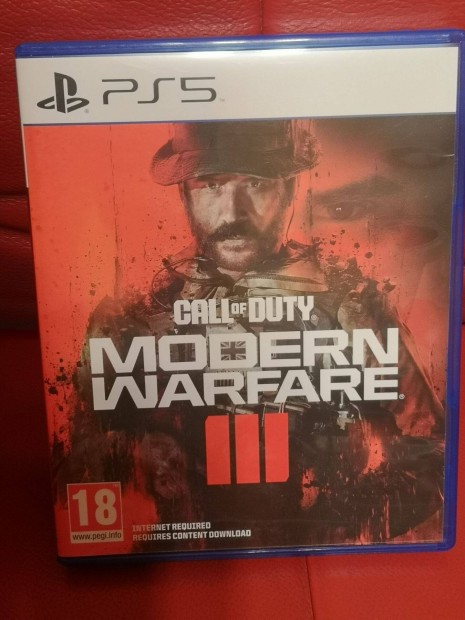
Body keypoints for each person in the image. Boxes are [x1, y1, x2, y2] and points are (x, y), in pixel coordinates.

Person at [68, 119, 444, 550]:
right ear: (184, 192)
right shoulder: (131, 314)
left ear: (290, 189)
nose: (232, 213)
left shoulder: (352, 304)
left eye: (256, 183)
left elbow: (429, 451)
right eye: (211, 184)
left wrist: (332, 528)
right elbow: (82, 461)